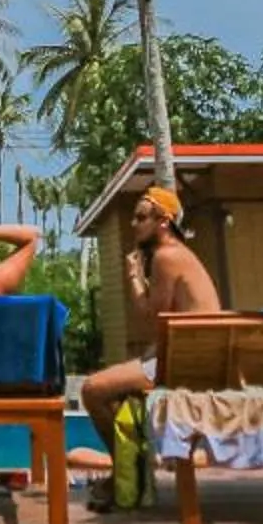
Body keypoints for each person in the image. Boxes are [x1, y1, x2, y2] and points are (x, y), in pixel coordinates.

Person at [78, 184, 219, 507]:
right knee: (118, 391)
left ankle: (127, 474)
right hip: (197, 356)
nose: (134, 224)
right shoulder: (183, 255)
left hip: (186, 364)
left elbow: (149, 315)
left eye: (142, 217)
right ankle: (129, 474)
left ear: (164, 222)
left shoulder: (167, 257)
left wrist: (132, 275)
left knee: (92, 389)